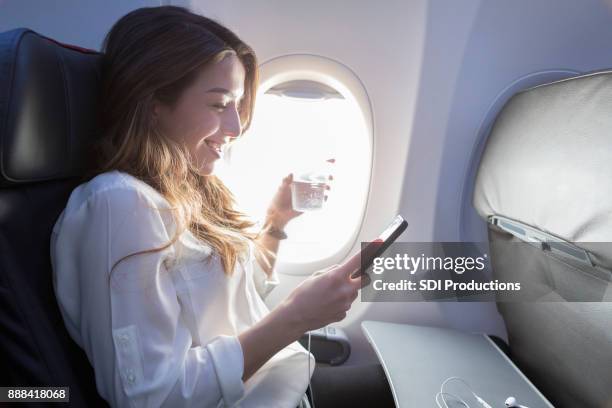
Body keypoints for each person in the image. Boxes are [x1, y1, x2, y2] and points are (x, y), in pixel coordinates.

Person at [50, 6, 394, 408]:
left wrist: (276, 223)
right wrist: (296, 317)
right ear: (154, 102)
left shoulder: (189, 188)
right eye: (218, 104)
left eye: (237, 104)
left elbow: (228, 305)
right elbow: (149, 397)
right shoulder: (119, 204)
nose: (236, 127)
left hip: (281, 389)